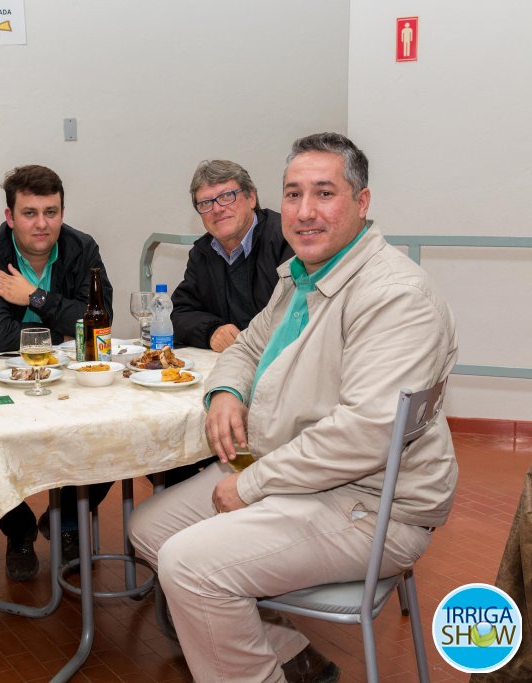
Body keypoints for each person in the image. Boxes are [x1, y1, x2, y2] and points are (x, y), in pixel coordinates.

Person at [129, 133, 458, 683]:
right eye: (293, 194)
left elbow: (364, 434)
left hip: (371, 504)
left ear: (362, 201)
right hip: (298, 473)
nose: (304, 212)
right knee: (149, 528)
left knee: (189, 565)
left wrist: (252, 484)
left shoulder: (396, 296)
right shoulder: (301, 276)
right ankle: (288, 654)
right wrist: (226, 392)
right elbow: (247, 347)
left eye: (324, 193)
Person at [0, 164, 114, 581]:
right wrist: (64, 329)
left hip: (68, 379)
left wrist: (34, 296)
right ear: (10, 216)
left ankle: (67, 523)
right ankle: (19, 529)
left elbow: (99, 322)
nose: (42, 223)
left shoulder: (82, 248)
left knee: (108, 429)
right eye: (29, 213)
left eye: (51, 212)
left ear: (62, 212)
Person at [171, 159, 294, 352]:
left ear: (251, 197)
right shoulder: (203, 253)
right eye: (206, 203)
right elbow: (179, 314)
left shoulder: (288, 239)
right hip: (229, 362)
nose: (217, 209)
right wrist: (211, 331)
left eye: (227, 196)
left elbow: (296, 314)